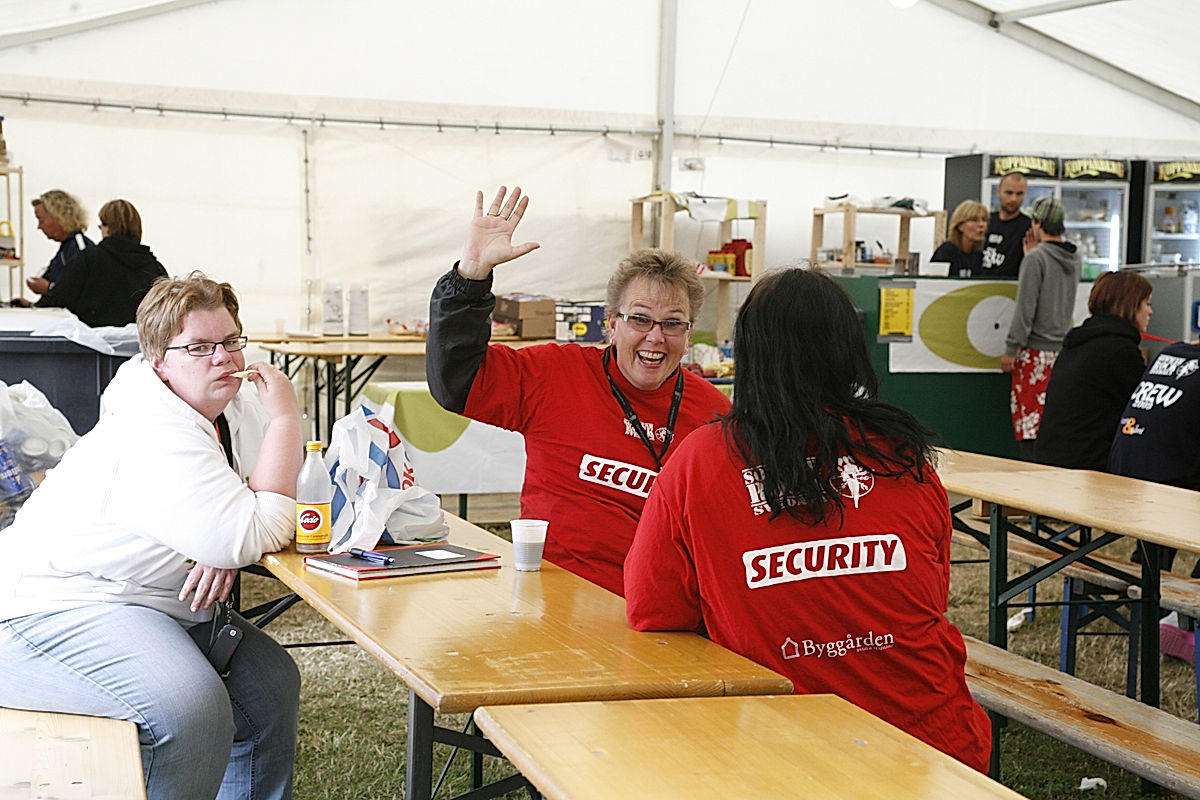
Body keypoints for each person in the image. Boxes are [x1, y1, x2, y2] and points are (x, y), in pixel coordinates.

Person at [624, 267, 990, 773]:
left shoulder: (701, 461)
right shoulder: (905, 456)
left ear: (750, 355)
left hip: (790, 757)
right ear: (849, 349)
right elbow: (930, 591)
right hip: (940, 746)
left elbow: (653, 610)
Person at [0, 272, 303, 800]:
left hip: (146, 600)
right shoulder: (152, 427)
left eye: (231, 341)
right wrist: (285, 419)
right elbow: (258, 522)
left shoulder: (224, 406)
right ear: (159, 360)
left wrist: (224, 537)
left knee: (269, 684)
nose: (225, 359)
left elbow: (258, 504)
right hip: (49, 607)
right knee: (187, 706)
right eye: (201, 347)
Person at [427, 186, 731, 596]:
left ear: (689, 332)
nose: (655, 338)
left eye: (673, 323)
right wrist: (471, 276)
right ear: (611, 323)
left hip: (664, 612)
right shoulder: (555, 375)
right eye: (640, 319)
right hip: (554, 601)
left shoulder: (713, 413)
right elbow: (456, 381)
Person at [1108, 337, 1200, 665]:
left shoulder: (1170, 352)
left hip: (1122, 473)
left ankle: (1153, 613)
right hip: (1164, 483)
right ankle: (1186, 621)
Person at [1036, 270, 1152, 471]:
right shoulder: (1119, 350)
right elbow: (1147, 407)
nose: (1150, 312)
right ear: (1131, 305)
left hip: (1051, 456)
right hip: (1088, 465)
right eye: (1147, 303)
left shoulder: (1078, 342)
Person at [1001, 196, 1082, 460]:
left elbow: (1026, 308)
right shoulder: (1075, 258)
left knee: (1029, 431)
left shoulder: (1036, 259)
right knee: (1051, 427)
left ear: (1037, 224)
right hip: (1060, 354)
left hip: (1033, 354)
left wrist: (1011, 348)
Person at [14, 198, 167, 327]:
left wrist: (37, 302)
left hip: (90, 350)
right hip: (138, 351)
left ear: (108, 228)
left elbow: (61, 300)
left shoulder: (88, 258)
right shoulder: (155, 268)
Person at [27, 188, 93, 295]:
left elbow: (85, 290)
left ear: (59, 217)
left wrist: (48, 289)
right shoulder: (66, 248)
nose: (39, 227)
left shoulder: (80, 248)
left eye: (41, 220)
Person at [981, 172, 1032, 277]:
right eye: (1009, 193)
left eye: (1019, 194)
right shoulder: (985, 222)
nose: (1013, 199)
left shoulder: (1029, 227)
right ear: (998, 192)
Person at [930, 199, 987, 277]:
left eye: (984, 220)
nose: (981, 225)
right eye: (974, 220)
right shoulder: (946, 251)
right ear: (960, 226)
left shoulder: (984, 254)